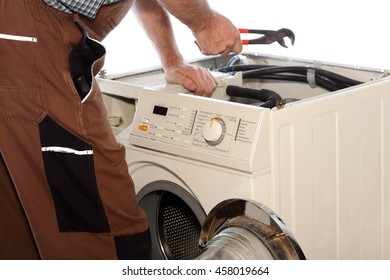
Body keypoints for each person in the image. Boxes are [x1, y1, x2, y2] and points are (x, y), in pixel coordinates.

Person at [0, 0, 242, 260]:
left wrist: (172, 59)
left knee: (21, 214)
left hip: (21, 35)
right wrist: (205, 23)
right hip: (32, 42)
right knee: (106, 230)